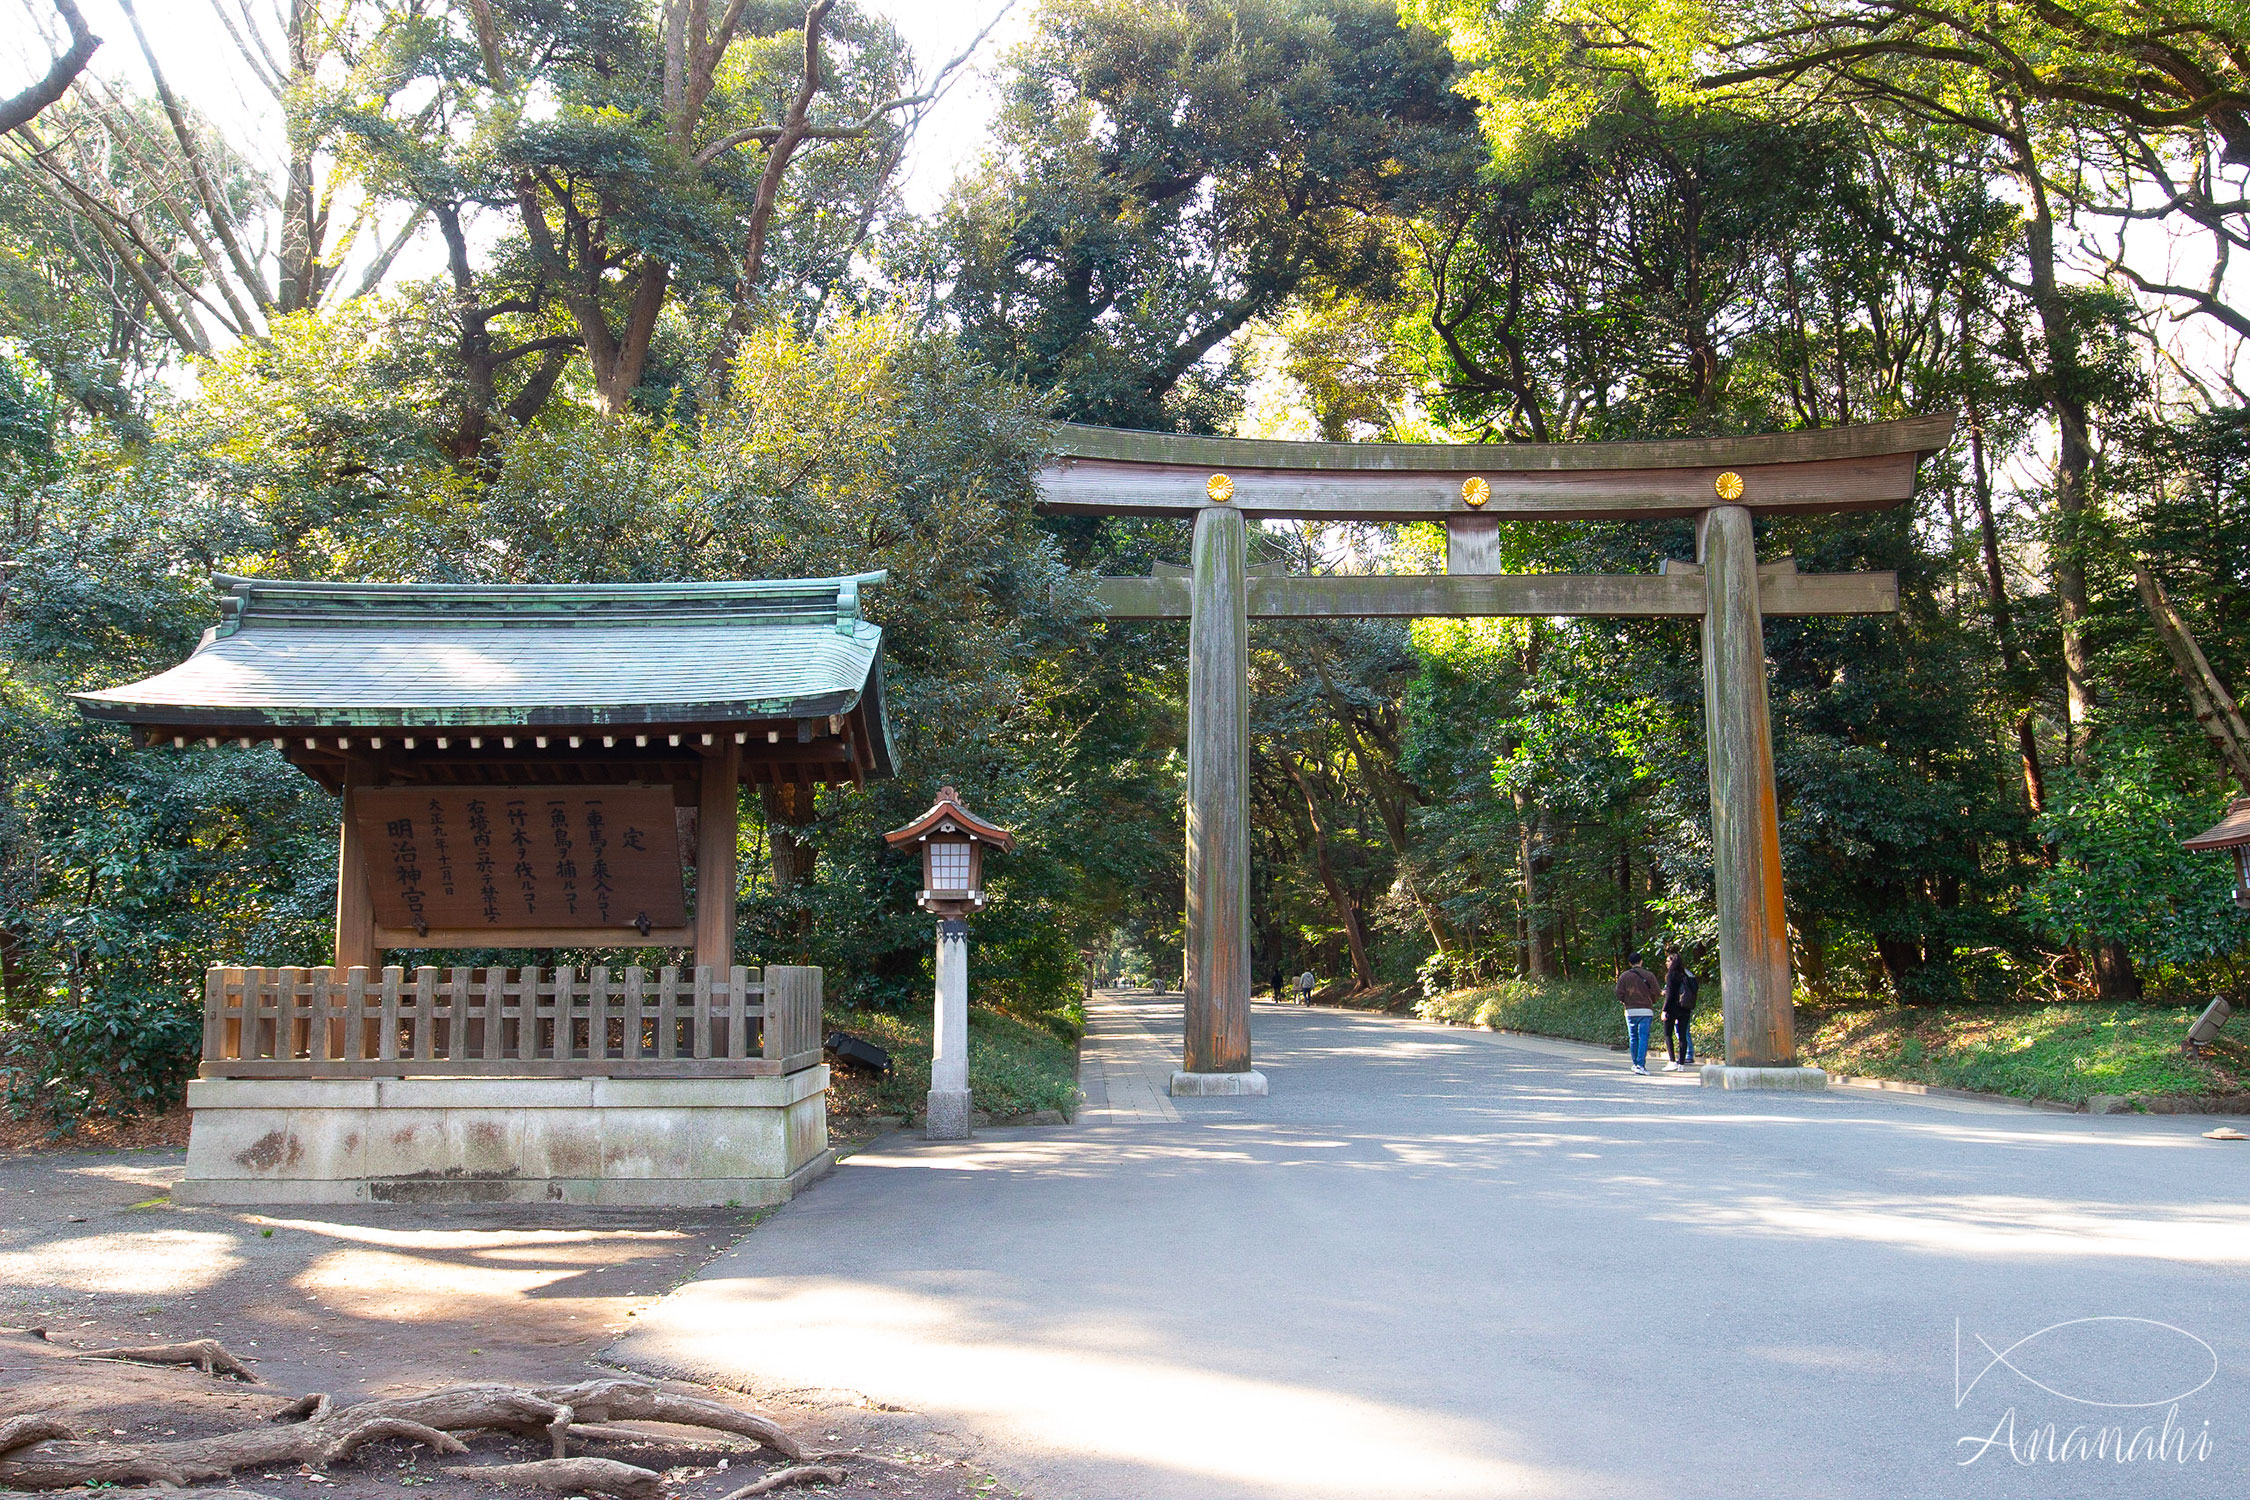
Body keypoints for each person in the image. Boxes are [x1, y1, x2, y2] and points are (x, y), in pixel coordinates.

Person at [1615, 950, 1660, 1074]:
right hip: (1646, 1010)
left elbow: (1619, 993)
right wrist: (1651, 1001)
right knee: (1643, 1037)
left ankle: (1635, 1063)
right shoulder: (1649, 975)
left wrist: (1625, 1002)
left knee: (1633, 1037)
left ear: (1630, 963)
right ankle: (1641, 1064)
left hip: (1630, 1011)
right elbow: (1656, 991)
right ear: (1641, 961)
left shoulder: (1624, 976)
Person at [1662, 944, 1698, 1071]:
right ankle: (1681, 1064)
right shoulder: (1687, 975)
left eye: (1668, 961)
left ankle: (1672, 1061)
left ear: (1673, 962)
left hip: (1673, 1008)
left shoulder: (1671, 975)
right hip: (1686, 1008)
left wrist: (1664, 1010)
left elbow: (1670, 995)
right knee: (1683, 1035)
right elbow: (1694, 989)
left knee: (1668, 1034)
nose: (1666, 963)